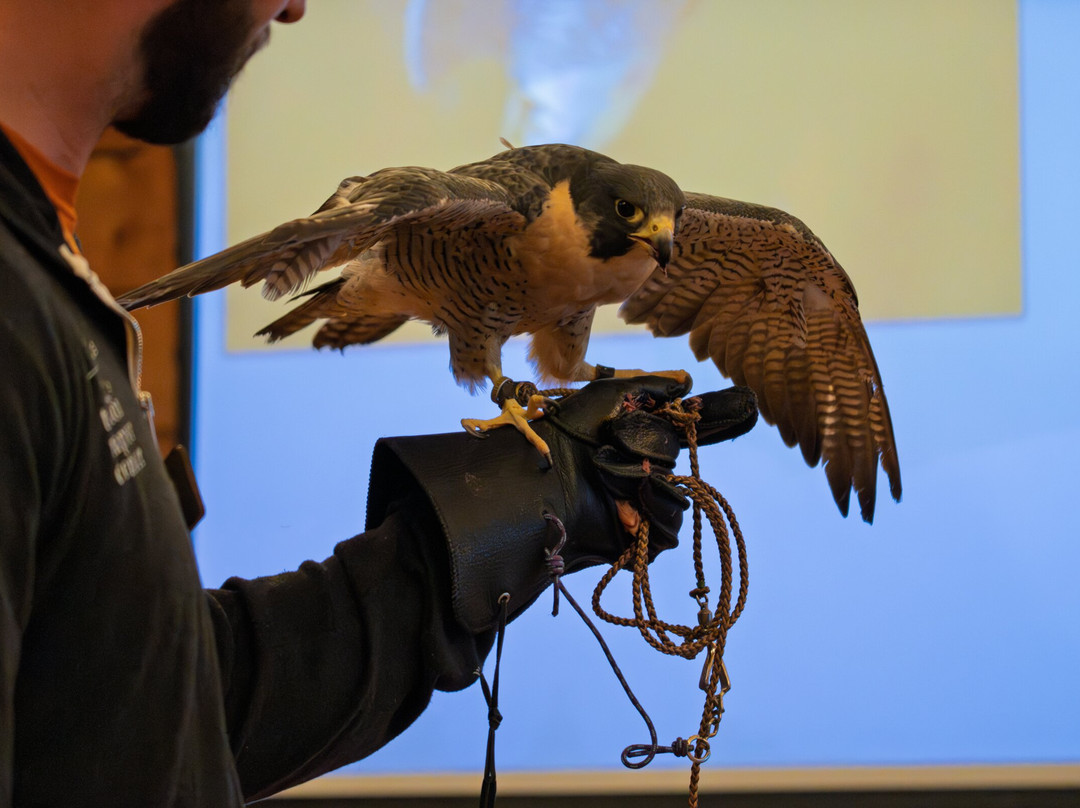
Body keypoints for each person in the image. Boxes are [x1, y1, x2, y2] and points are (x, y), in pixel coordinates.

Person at [0, 1, 756, 804]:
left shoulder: (40, 270)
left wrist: (452, 558)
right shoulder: (14, 308)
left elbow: (163, 706)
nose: (297, 6)